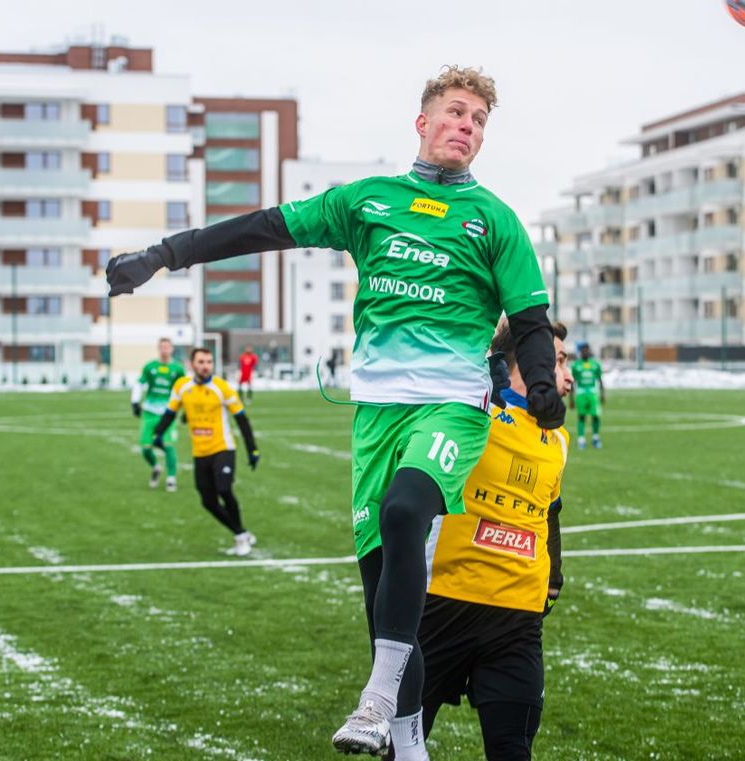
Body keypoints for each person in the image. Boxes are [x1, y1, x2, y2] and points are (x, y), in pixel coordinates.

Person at [106, 65, 565, 755]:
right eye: (457, 112)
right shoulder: (367, 201)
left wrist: (546, 393)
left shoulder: (494, 219)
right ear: (424, 121)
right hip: (376, 415)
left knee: (407, 510)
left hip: (449, 408)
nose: (466, 127)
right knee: (383, 594)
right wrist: (162, 256)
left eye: (479, 121)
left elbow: (530, 318)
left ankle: (377, 700)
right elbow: (263, 229)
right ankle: (408, 743)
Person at [382, 320, 572, 761]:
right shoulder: (466, 412)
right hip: (440, 607)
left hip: (518, 619)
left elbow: (551, 510)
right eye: (559, 360)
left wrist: (553, 578)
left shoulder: (557, 441)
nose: (567, 375)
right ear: (526, 360)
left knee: (512, 749)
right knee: (401, 748)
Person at [152, 347, 261, 556]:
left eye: (209, 362)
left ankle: (240, 538)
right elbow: (169, 413)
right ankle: (242, 532)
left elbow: (242, 420)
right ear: (192, 365)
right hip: (199, 452)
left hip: (223, 448)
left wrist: (252, 450)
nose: (205, 366)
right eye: (201, 362)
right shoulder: (182, 386)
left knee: (224, 489)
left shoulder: (223, 388)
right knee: (207, 501)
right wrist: (158, 434)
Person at [131, 338, 186, 491]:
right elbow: (139, 383)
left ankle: (171, 478)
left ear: (172, 349)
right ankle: (156, 467)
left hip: (168, 413)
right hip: (149, 412)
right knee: (146, 448)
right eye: (162, 347)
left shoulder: (178, 368)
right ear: (158, 349)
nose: (164, 350)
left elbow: (184, 389)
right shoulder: (150, 367)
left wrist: (186, 410)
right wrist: (135, 402)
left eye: (167, 347)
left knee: (168, 445)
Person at [568, 341, 605, 449]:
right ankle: (581, 440)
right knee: (581, 416)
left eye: (587, 350)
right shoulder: (576, 365)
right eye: (583, 350)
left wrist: (603, 394)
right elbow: (572, 383)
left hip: (593, 394)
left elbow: (600, 379)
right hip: (580, 394)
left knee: (596, 416)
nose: (585, 352)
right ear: (580, 352)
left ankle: (595, 438)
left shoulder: (595, 364)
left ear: (589, 351)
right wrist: (571, 399)